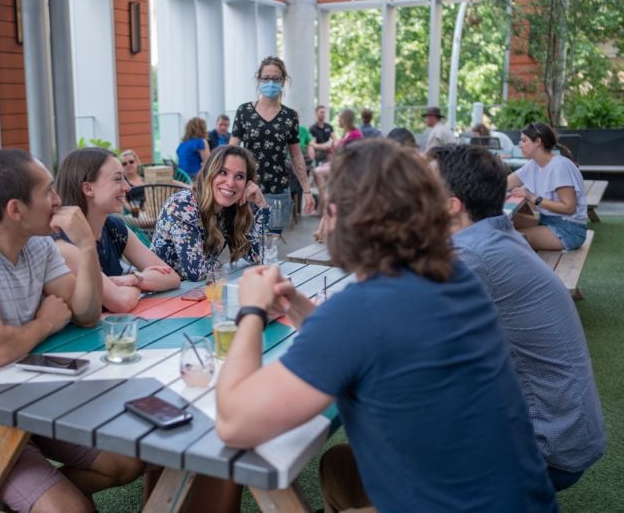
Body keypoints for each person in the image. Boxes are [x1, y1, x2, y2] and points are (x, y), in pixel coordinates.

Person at [215, 139, 557, 512]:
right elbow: (363, 338)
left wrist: (250, 311)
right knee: (340, 467)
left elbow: (234, 423)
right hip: (522, 500)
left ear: (335, 214)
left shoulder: (360, 312)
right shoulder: (456, 276)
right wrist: (294, 302)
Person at [0, 149, 144, 513]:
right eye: (48, 192)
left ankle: (26, 499)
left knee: (127, 461)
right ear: (15, 210)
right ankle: (39, 499)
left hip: (29, 401)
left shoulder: (38, 245)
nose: (58, 200)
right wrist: (46, 323)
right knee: (74, 510)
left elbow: (86, 314)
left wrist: (86, 246)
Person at [433, 143, 606, 491]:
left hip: (546, 448)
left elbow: (394, 338)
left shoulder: (473, 256)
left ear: (452, 206)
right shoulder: (497, 234)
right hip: (569, 432)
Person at [56, 148, 181, 313]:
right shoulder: (64, 242)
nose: (127, 187)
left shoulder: (114, 227)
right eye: (117, 179)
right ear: (88, 189)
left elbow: (172, 277)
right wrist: (138, 284)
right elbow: (121, 302)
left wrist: (133, 279)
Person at [151, 145, 269, 281]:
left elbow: (255, 256)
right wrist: (219, 267)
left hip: (194, 292)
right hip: (162, 295)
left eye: (239, 176)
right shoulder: (183, 205)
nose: (230, 183)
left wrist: (261, 207)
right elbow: (196, 272)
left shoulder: (229, 209)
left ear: (247, 184)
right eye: (223, 172)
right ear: (209, 173)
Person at [229, 55, 315, 230]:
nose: (271, 82)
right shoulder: (244, 111)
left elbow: (296, 154)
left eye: (276, 78)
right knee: (245, 243)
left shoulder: (290, 116)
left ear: (283, 81)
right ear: (258, 80)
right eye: (266, 78)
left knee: (271, 246)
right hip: (247, 188)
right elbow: (231, 151)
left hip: (278, 190)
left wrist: (307, 190)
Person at [507, 122, 588, 250]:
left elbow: (569, 208)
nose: (519, 145)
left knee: (508, 240)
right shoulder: (534, 164)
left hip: (569, 230)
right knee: (501, 222)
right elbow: (505, 183)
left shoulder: (559, 166)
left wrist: (532, 197)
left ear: (538, 141)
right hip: (548, 221)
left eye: (524, 140)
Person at [313, 108, 362, 238]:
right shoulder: (346, 134)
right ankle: (322, 231)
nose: (338, 120)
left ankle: (327, 231)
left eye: (340, 118)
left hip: (346, 174)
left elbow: (353, 156)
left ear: (345, 119)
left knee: (334, 202)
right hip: (339, 172)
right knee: (331, 201)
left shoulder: (355, 135)